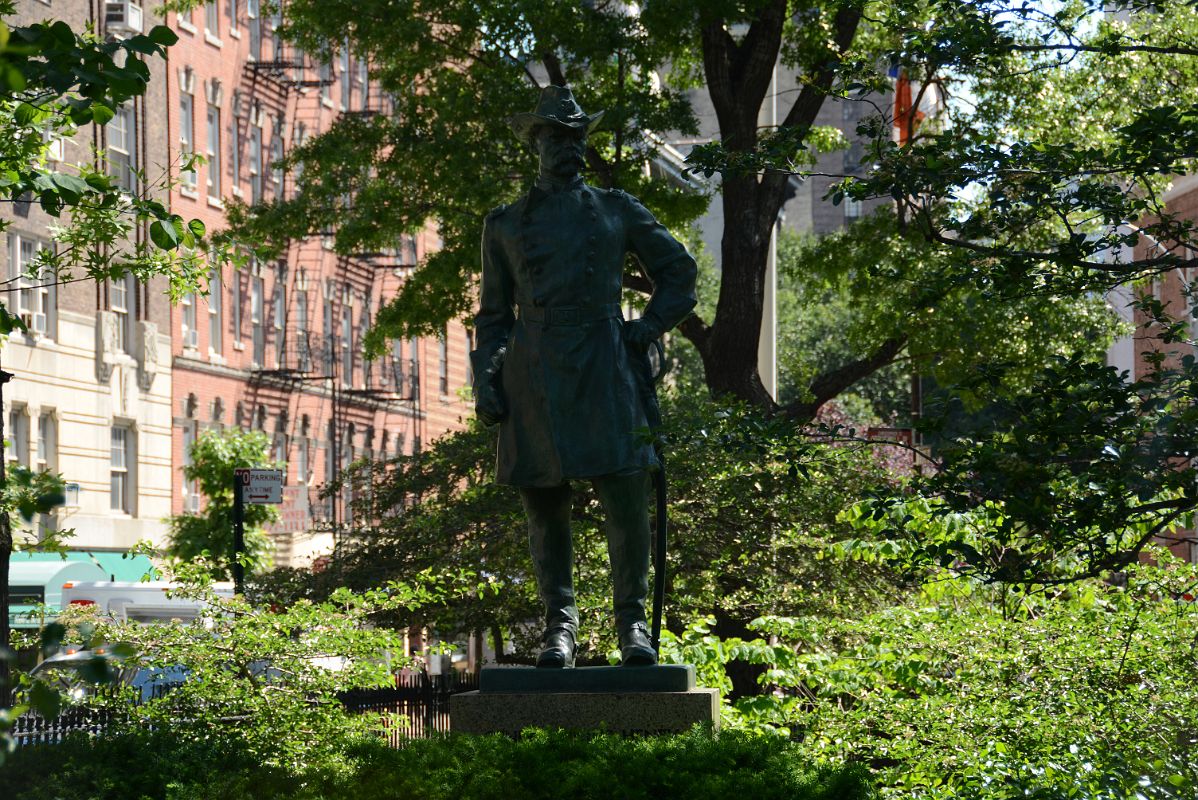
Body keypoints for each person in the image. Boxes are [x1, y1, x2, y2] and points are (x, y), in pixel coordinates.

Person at [471, 85, 697, 668]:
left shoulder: (616, 208)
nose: (569, 147)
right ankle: (559, 630)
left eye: (576, 137)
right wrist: (485, 379)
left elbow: (679, 269)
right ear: (536, 144)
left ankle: (634, 627)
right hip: (534, 369)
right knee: (544, 506)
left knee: (625, 494)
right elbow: (493, 317)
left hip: (605, 360)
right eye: (556, 137)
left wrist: (644, 329)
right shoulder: (502, 226)